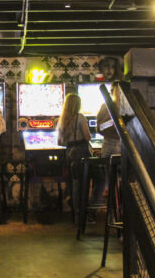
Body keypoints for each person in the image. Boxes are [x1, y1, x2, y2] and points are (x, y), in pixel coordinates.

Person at [56, 93, 92, 223]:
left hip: (69, 153)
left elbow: (59, 142)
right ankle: (82, 215)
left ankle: (76, 214)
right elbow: (88, 137)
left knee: (74, 185)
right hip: (81, 153)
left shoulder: (63, 119)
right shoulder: (80, 118)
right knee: (82, 185)